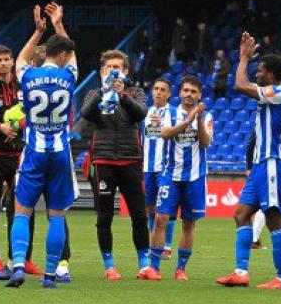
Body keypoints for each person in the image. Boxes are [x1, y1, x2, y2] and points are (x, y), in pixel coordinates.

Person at [6, 3, 78, 289]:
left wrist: (38, 32)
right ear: (62, 55)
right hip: (60, 152)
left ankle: (19, 265)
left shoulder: (30, 76)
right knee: (57, 214)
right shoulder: (69, 75)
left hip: (34, 151)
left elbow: (20, 60)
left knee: (23, 210)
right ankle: (50, 275)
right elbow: (72, 55)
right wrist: (58, 24)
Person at [217, 32, 281, 290]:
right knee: (240, 215)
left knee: (273, 217)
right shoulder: (272, 95)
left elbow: (240, 85)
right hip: (261, 165)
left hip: (273, 161)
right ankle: (241, 272)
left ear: (271, 74)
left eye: (259, 70)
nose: (256, 73)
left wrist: (242, 59)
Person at [80, 49, 149, 280]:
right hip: (103, 161)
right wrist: (103, 92)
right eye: (109, 67)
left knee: (139, 215)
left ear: (126, 72)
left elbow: (141, 114)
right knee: (105, 216)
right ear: (102, 71)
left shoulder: (135, 92)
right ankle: (109, 266)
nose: (113, 71)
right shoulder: (94, 93)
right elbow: (85, 113)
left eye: (117, 67)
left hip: (131, 160)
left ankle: (144, 265)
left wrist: (122, 96)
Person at [0, 45, 43, 279]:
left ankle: (23, 259)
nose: (4, 63)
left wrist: (21, 125)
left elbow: (34, 112)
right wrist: (0, 127)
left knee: (25, 207)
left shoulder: (22, 85)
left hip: (20, 155)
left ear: (13, 61)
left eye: (7, 59)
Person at [143, 75, 212, 281]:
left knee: (189, 224)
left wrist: (197, 121)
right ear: (180, 93)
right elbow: (164, 133)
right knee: (160, 218)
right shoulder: (170, 113)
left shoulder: (207, 116)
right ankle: (154, 267)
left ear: (199, 95)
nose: (189, 94)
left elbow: (206, 142)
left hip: (195, 177)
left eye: (193, 91)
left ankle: (181, 269)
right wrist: (188, 120)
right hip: (170, 174)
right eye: (186, 90)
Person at [143, 79, 177, 259]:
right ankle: (154, 242)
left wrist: (164, 124)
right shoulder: (145, 113)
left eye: (162, 89)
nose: (158, 92)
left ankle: (167, 246)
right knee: (149, 208)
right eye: (155, 88)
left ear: (169, 94)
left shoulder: (173, 112)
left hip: (165, 167)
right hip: (147, 167)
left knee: (165, 208)